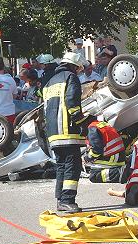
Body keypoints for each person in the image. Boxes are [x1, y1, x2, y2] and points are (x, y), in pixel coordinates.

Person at [43, 52, 88, 213]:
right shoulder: (70, 77)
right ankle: (68, 199)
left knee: (61, 165)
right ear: (75, 66)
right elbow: (72, 102)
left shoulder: (49, 82)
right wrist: (82, 122)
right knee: (72, 165)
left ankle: (60, 200)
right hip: (67, 131)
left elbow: (45, 109)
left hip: (53, 132)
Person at [83, 117, 128, 184]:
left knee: (94, 176)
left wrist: (87, 158)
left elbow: (96, 150)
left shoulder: (92, 129)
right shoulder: (100, 124)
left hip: (112, 159)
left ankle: (121, 173)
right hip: (117, 156)